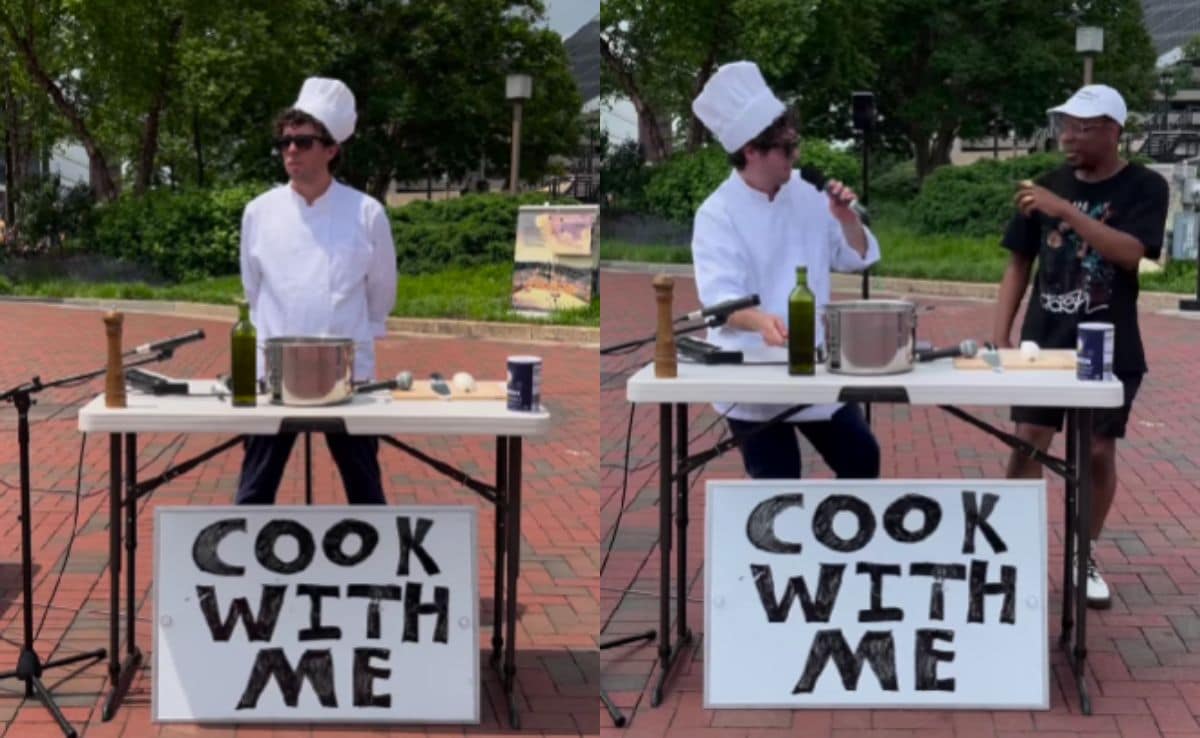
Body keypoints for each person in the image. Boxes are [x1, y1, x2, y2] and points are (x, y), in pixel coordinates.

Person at [994, 84, 1168, 608]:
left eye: (1082, 128)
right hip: (1043, 341)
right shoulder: (1046, 185)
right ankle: (1013, 552)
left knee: (1095, 450)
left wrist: (1066, 212)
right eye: (1065, 126)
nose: (1068, 137)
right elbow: (1018, 263)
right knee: (1028, 441)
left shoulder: (1145, 186)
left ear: (1113, 132)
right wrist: (1000, 334)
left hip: (1108, 344)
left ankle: (1081, 553)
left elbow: (1131, 253)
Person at [689, 61, 882, 480]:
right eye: (786, 148)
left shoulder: (810, 193)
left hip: (814, 364)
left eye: (795, 144)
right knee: (778, 483)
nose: (795, 157)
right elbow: (721, 300)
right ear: (751, 150)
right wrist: (760, 322)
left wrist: (846, 219)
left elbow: (857, 257)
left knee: (862, 458)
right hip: (752, 372)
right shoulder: (717, 213)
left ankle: (840, 525)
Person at [236, 77, 398, 505]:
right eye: (284, 142)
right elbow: (253, 288)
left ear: (331, 149)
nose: (291, 150)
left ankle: (375, 552)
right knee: (253, 493)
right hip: (275, 374)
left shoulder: (366, 213)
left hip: (347, 374)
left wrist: (361, 338)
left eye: (303, 142)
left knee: (365, 491)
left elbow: (381, 291)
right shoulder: (258, 213)